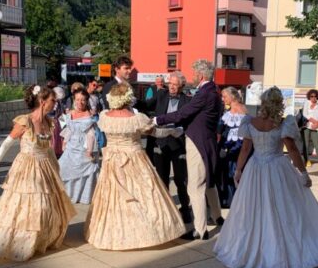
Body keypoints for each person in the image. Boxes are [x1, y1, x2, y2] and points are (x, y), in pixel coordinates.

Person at [214, 87, 318, 268]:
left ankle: (254, 248)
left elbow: (245, 149)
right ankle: (280, 249)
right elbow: (291, 150)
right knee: (285, 208)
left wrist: (239, 170)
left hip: (255, 167)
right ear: (279, 104)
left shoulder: (250, 121)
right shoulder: (283, 123)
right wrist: (303, 173)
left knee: (256, 208)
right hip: (277, 166)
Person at [0, 85, 77, 261]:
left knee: (48, 206)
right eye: (52, 101)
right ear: (42, 101)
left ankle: (42, 240)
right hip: (27, 168)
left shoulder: (48, 121)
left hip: (46, 167)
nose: (55, 104)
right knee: (27, 206)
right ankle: (22, 243)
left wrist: (56, 167)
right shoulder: (25, 121)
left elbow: (49, 150)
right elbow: (7, 143)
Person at [84, 83, 186, 250]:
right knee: (143, 194)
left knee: (113, 197)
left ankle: (112, 232)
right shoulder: (137, 118)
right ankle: (149, 231)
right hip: (135, 158)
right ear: (128, 99)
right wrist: (173, 131)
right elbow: (156, 132)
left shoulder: (104, 116)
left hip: (112, 161)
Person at [155, 59, 224, 240]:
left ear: (201, 75)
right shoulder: (214, 92)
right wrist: (181, 127)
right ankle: (218, 217)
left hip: (197, 142)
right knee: (208, 182)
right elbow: (197, 116)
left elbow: (184, 113)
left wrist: (158, 120)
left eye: (194, 73)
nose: (192, 77)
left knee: (195, 187)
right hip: (207, 141)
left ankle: (200, 230)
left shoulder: (204, 93)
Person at [145, 71, 192, 223]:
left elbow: (190, 122)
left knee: (180, 180)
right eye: (169, 83)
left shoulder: (188, 101)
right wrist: (130, 102)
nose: (171, 87)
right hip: (161, 143)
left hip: (178, 144)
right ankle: (165, 211)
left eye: (174, 84)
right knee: (162, 179)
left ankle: (185, 210)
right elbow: (146, 105)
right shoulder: (161, 95)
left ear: (181, 86)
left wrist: (182, 130)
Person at [59, 87, 99, 204]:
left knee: (85, 171)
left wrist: (89, 150)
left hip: (84, 147)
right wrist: (65, 141)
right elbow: (67, 128)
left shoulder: (90, 115)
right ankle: (67, 194)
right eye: (77, 99)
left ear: (87, 101)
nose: (80, 102)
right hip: (71, 147)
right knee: (62, 168)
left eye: (83, 100)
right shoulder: (69, 114)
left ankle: (82, 196)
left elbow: (91, 135)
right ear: (74, 100)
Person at [216, 86, 247, 208]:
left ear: (232, 97)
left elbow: (242, 135)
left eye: (224, 97)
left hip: (235, 149)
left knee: (233, 171)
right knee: (226, 172)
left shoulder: (241, 111)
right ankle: (227, 198)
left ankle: (233, 199)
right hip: (227, 146)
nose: (223, 99)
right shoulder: (228, 112)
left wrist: (228, 148)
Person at [302, 89, 318, 167]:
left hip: (316, 127)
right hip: (307, 127)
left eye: (315, 96)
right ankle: (307, 160)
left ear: (317, 97)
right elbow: (305, 114)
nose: (313, 98)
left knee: (317, 144)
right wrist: (313, 121)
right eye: (311, 96)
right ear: (309, 97)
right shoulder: (307, 103)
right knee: (305, 144)